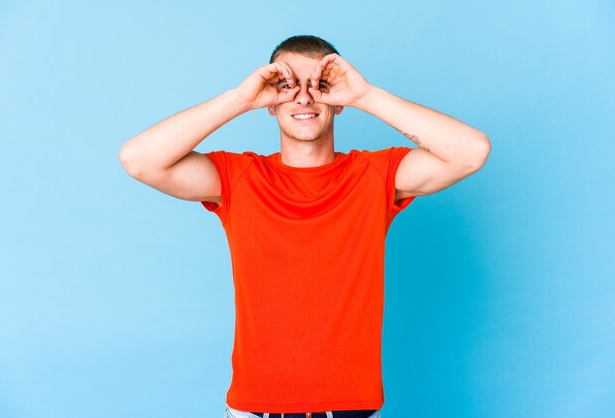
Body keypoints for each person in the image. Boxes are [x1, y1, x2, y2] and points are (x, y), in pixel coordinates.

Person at [119, 35, 491, 418]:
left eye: (319, 85)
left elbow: (471, 151)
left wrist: (365, 96)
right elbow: (139, 159)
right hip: (255, 406)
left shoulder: (376, 174)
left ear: (338, 100)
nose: (303, 97)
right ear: (270, 101)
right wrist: (241, 100)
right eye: (287, 86)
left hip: (352, 406)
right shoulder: (238, 177)